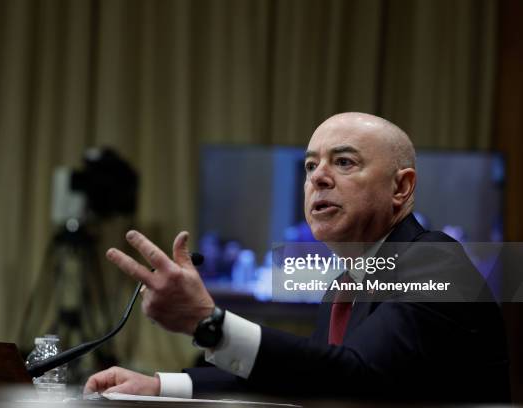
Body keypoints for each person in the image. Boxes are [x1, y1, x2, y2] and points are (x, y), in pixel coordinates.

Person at [84, 113, 510, 402]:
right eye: (309, 167)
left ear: (400, 188)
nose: (318, 177)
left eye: (344, 162)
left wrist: (208, 322)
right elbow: (306, 374)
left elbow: (355, 377)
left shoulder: (434, 259)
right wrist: (160, 386)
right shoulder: (346, 286)